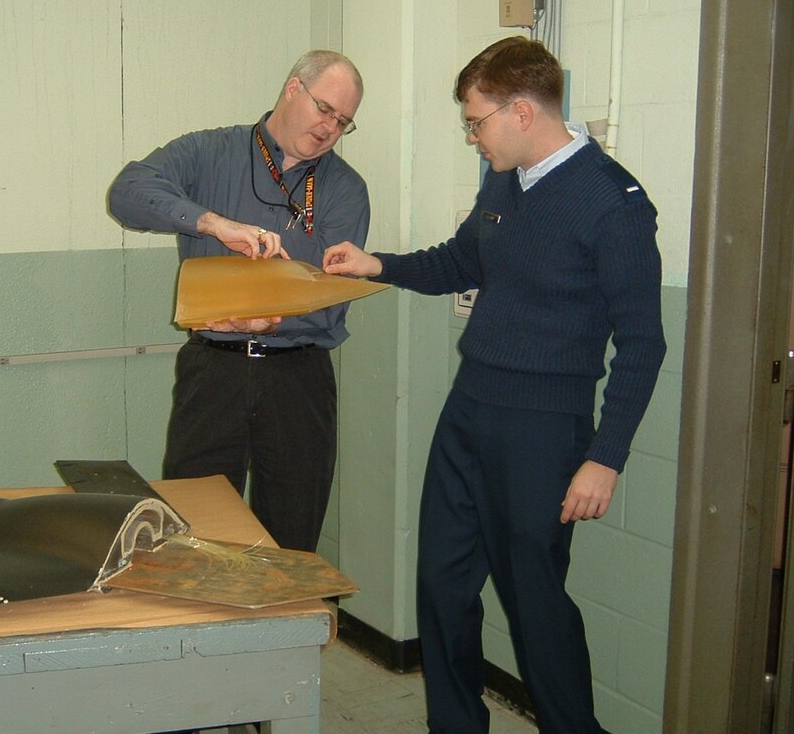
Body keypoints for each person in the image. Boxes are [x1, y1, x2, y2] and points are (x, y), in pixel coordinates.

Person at [322, 37, 666, 734]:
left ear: (519, 111)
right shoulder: (506, 181)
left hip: (545, 428)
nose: (472, 136)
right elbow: (459, 262)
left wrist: (606, 457)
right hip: (470, 409)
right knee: (443, 589)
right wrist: (374, 263)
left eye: (474, 122)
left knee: (534, 601)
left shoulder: (614, 203)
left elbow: (643, 344)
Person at [108, 50, 370, 553]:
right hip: (214, 372)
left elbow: (333, 298)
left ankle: (285, 631)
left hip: (299, 379)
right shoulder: (210, 152)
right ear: (293, 89)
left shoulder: (345, 189)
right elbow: (127, 192)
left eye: (343, 122)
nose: (329, 129)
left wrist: (269, 322)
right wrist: (212, 223)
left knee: (291, 540)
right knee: (191, 532)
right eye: (324, 109)